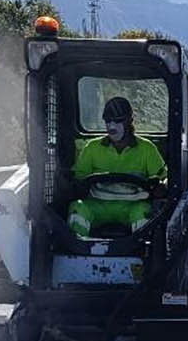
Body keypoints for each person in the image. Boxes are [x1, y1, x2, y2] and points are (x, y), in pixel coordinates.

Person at [68, 96, 168, 237]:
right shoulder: (92, 148)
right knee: (77, 208)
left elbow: (164, 178)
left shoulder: (147, 149)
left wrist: (161, 187)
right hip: (97, 205)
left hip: (133, 206)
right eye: (108, 121)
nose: (112, 126)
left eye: (118, 120)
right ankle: (78, 247)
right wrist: (77, 185)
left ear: (130, 120)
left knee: (144, 212)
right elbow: (79, 178)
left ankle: (142, 248)